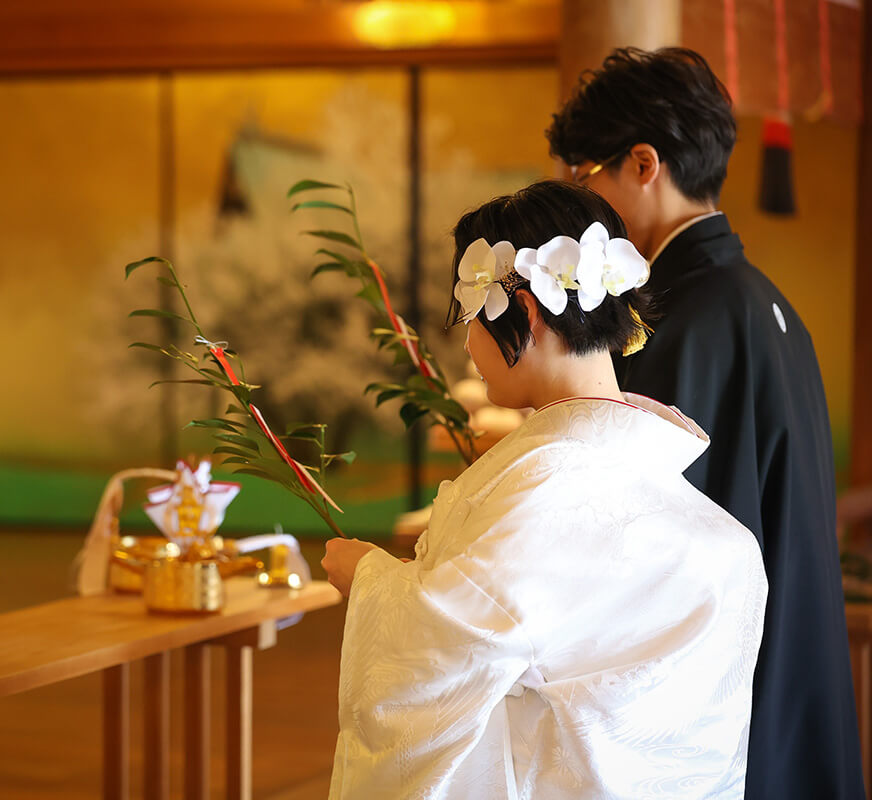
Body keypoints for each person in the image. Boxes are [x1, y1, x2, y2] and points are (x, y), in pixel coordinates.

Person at [322, 180, 768, 799]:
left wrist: (368, 578)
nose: (471, 345)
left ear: (524, 314)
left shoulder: (551, 487)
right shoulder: (684, 508)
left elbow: (446, 643)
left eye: (475, 318)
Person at [547, 47, 862, 799]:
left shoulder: (682, 320)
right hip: (793, 660)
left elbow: (644, 540)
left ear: (644, 163)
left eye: (586, 177)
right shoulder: (761, 301)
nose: (585, 205)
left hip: (726, 693)